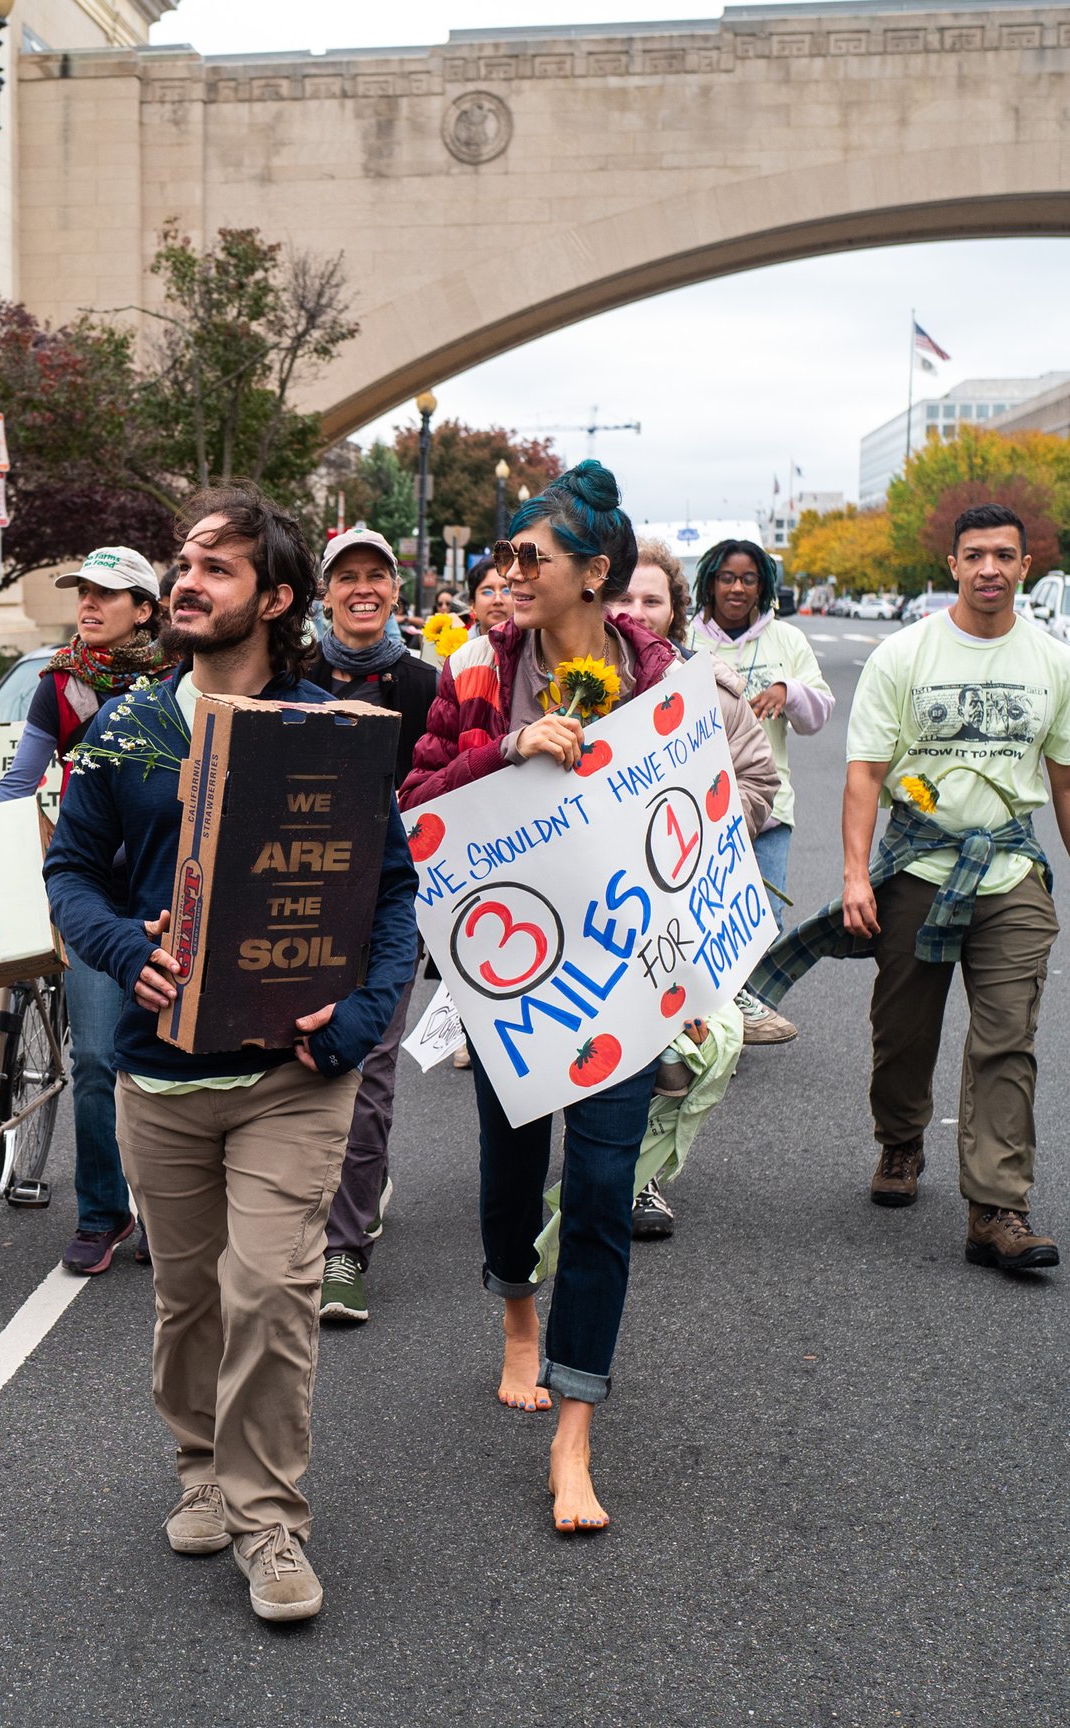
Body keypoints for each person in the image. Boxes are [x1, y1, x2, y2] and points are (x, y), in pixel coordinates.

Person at [46, 487, 417, 1623]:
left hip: (290, 1081)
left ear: (276, 596)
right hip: (158, 1074)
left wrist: (355, 1027)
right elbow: (72, 875)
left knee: (271, 1293)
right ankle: (198, 1467)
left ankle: (270, 1524)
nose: (185, 582)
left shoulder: (332, 733)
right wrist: (120, 947)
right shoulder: (123, 730)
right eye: (181, 562)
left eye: (215, 566)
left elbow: (393, 897)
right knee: (191, 1303)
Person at [400, 460, 670, 1536]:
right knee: (514, 1173)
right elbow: (413, 802)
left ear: (594, 574)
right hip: (507, 975)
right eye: (505, 557)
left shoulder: (663, 681)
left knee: (602, 1194)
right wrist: (507, 751)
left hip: (621, 970)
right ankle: (516, 1307)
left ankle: (573, 1433)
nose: (507, 575)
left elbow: (702, 817)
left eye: (531, 559)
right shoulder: (475, 672)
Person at [748, 502, 1070, 1276]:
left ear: (1025, 567)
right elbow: (864, 775)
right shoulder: (904, 654)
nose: (989, 567)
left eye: (1003, 555)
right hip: (917, 867)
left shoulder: (1054, 662)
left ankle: (996, 1207)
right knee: (904, 1034)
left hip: (1009, 866)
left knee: (1007, 1040)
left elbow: (1063, 781)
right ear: (952, 567)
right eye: (974, 555)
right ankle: (900, 1139)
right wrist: (856, 875)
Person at [0, 546, 165, 1273]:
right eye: (82, 593)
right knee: (95, 1058)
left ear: (145, 610)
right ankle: (102, 1213)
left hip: (168, 890)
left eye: (108, 595)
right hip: (90, 896)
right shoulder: (58, 685)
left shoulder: (183, 683)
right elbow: (19, 782)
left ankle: (167, 1204)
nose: (89, 606)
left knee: (168, 1058)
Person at [599, 539, 779, 1241]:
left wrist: (702, 828)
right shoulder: (568, 684)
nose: (636, 611)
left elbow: (760, 782)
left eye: (652, 599)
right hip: (590, 905)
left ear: (676, 611)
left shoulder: (711, 691)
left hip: (672, 903)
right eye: (624, 597)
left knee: (655, 1045)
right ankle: (594, 1167)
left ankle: (636, 1179)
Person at [304, 529, 437, 1324]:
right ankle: (297, 1217)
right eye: (346, 577)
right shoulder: (294, 680)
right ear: (324, 594)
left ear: (395, 590)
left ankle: (346, 1251)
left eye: (375, 577)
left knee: (369, 1076)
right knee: (294, 1059)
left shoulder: (424, 684)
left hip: (392, 904)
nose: (362, 589)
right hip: (301, 900)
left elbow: (451, 786)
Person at [688, 537, 832, 1047]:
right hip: (695, 810)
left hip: (767, 808)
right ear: (709, 580)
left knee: (759, 919)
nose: (737, 587)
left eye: (749, 578)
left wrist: (787, 692)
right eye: (727, 577)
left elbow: (819, 715)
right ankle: (708, 1021)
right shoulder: (686, 640)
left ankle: (730, 1014)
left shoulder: (787, 642)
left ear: (763, 586)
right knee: (701, 917)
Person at [466, 561, 516, 633]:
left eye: (506, 591)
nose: (498, 600)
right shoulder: (458, 643)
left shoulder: (534, 642)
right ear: (472, 604)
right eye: (487, 592)